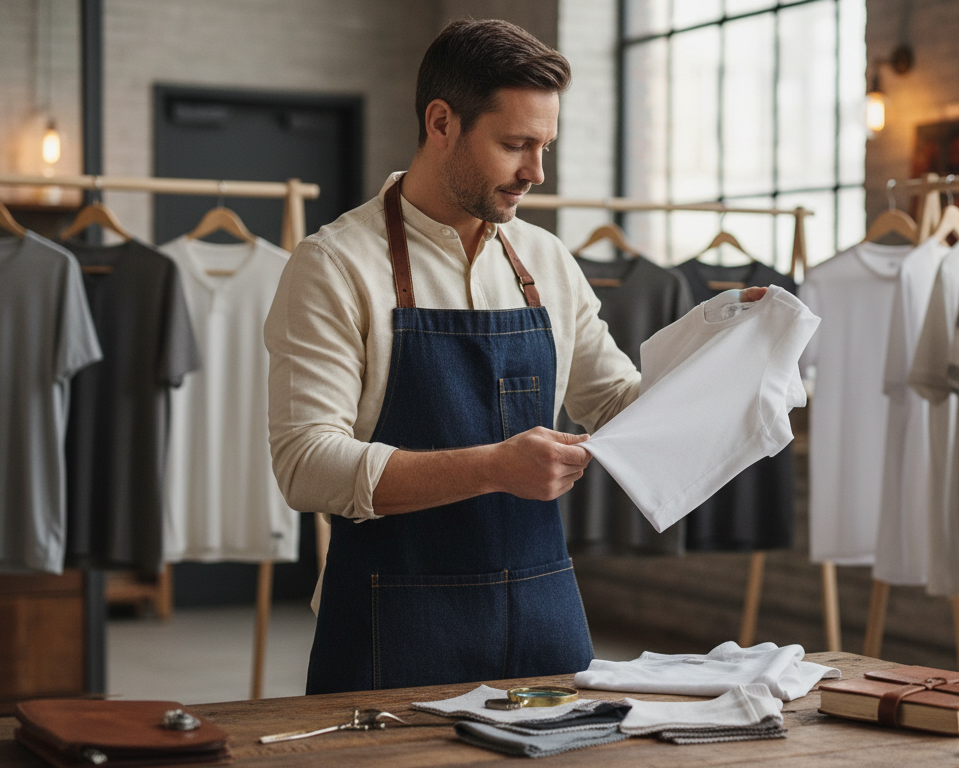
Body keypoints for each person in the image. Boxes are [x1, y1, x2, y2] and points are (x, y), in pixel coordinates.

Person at [266, 18, 764, 695]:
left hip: (544, 616)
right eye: (515, 145)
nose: (536, 172)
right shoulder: (334, 265)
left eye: (545, 146)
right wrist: (496, 468)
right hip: (392, 624)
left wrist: (723, 348)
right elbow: (306, 464)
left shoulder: (547, 260)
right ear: (441, 122)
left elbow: (618, 404)